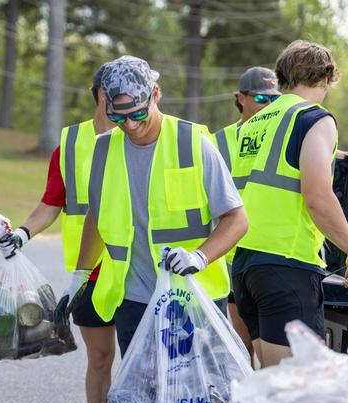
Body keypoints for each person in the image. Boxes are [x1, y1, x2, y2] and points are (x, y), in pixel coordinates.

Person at [55, 56, 247, 363]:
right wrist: (80, 274)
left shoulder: (193, 144)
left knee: (200, 400)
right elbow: (98, 214)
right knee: (143, 397)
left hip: (195, 299)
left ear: (155, 94)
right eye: (119, 118)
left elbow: (237, 218)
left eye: (138, 113)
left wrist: (200, 256)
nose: (130, 125)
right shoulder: (103, 150)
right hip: (135, 301)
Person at [0, 64, 118, 403]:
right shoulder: (70, 142)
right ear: (103, 93)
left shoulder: (143, 136)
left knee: (148, 361)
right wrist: (24, 233)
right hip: (90, 271)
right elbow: (52, 201)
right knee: (99, 358)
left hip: (139, 268)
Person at [231, 40, 348, 368]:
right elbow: (318, 198)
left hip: (245, 264)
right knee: (295, 391)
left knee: (269, 382)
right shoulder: (313, 119)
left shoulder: (253, 124)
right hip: (286, 264)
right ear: (326, 78)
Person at [213, 66, 281, 366]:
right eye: (261, 99)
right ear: (240, 98)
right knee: (243, 348)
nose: (269, 106)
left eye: (274, 99)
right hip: (232, 257)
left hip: (270, 253)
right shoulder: (217, 142)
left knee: (270, 352)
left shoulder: (282, 135)